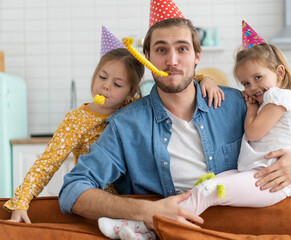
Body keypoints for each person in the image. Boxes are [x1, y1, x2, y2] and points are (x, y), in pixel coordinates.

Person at [59, 1, 291, 239]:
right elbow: (73, 190)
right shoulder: (126, 125)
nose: (172, 61)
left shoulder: (239, 104)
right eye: (161, 50)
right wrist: (147, 212)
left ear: (197, 55)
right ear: (147, 57)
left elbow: (281, 138)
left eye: (182, 48)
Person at [3, 25, 221, 224]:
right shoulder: (75, 120)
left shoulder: (133, 109)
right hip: (99, 204)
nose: (105, 87)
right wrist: (22, 201)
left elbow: (177, 81)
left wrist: (204, 79)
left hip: (134, 198)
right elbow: (46, 163)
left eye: (117, 84)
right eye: (102, 77)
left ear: (131, 92)